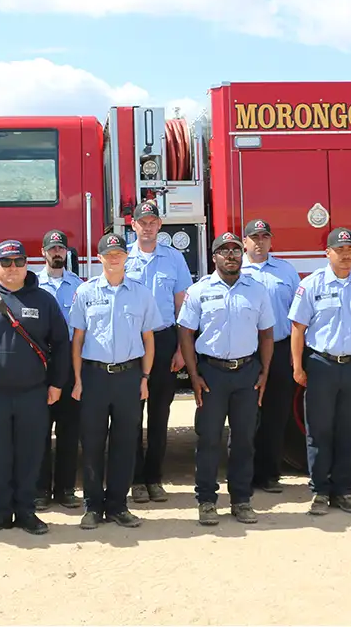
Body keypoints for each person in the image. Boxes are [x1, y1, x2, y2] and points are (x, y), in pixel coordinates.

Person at [0, 239, 70, 536]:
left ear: (26, 264)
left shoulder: (44, 300)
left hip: (32, 394)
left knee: (30, 454)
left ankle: (26, 512)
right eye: (5, 262)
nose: (12, 268)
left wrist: (57, 384)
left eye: (18, 262)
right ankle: (0, 512)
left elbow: (60, 345)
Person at [177, 232, 275, 526]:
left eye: (235, 250)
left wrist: (265, 372)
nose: (231, 255)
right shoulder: (199, 291)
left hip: (247, 373)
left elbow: (267, 333)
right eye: (224, 251)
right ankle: (206, 501)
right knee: (208, 440)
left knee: (244, 440)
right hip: (212, 375)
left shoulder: (256, 291)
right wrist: (193, 375)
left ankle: (241, 500)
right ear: (214, 257)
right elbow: (185, 332)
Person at [288, 227, 351, 516]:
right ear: (327, 253)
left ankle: (343, 490)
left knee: (349, 431)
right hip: (322, 365)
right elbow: (297, 328)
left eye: (349, 250)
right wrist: (297, 366)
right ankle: (319, 491)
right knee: (318, 431)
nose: (345, 255)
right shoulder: (313, 284)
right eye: (339, 250)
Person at [70, 232, 161, 529]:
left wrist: (145, 377)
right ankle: (93, 507)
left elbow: (149, 339)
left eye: (118, 253)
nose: (113, 258)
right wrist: (78, 380)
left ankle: (118, 506)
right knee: (93, 443)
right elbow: (77, 340)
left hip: (129, 377)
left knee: (125, 443)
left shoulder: (141, 293)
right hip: (94, 377)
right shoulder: (85, 292)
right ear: (99, 258)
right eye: (108, 254)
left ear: (126, 257)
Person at [126, 200, 194, 504]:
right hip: (131, 343)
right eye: (143, 222)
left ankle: (154, 478)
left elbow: (182, 305)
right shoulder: (123, 258)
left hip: (165, 340)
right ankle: (135, 480)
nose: (148, 226)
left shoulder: (174, 259)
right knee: (130, 415)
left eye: (153, 221)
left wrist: (181, 348)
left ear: (160, 225)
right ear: (134, 225)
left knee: (159, 414)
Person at [240, 217, 301, 494]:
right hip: (245, 352)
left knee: (276, 415)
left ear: (271, 240)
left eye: (265, 236)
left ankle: (269, 474)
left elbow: (299, 315)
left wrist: (295, 353)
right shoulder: (232, 270)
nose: (260, 242)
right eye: (254, 237)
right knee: (245, 415)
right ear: (245, 242)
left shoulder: (287, 271)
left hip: (279, 349)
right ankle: (243, 475)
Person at [35, 229, 83, 510]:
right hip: (41, 365)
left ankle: (65, 489)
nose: (57, 253)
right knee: (40, 429)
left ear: (67, 253)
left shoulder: (78, 285)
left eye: (61, 249)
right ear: (43, 252)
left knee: (69, 430)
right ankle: (40, 490)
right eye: (52, 248)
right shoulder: (33, 286)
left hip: (69, 362)